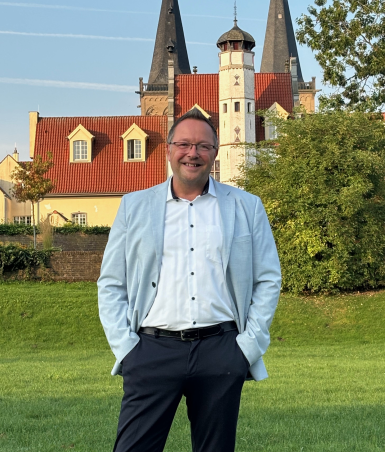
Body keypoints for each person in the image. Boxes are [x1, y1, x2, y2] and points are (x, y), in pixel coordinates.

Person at [98, 107, 281, 452]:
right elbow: (111, 283)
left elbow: (268, 279)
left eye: (203, 146)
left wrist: (246, 348)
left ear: (215, 152)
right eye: (183, 144)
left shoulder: (247, 206)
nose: (192, 153)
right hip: (150, 351)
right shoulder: (133, 206)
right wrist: (126, 348)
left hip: (222, 350)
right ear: (169, 149)